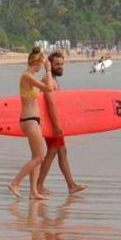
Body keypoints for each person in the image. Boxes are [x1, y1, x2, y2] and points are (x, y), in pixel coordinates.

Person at [36, 51, 86, 196]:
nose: (60, 66)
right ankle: (39, 185)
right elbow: (50, 103)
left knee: (61, 151)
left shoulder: (53, 79)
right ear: (50, 64)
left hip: (54, 121)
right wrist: (57, 125)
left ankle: (71, 185)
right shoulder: (47, 78)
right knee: (52, 152)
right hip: (51, 122)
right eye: (57, 64)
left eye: (62, 64)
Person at [7, 47, 54, 200]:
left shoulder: (30, 79)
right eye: (42, 63)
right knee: (40, 157)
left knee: (35, 156)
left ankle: (33, 192)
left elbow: (42, 89)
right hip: (29, 120)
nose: (42, 66)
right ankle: (15, 182)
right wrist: (49, 71)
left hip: (34, 120)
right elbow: (49, 88)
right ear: (37, 63)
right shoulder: (26, 77)